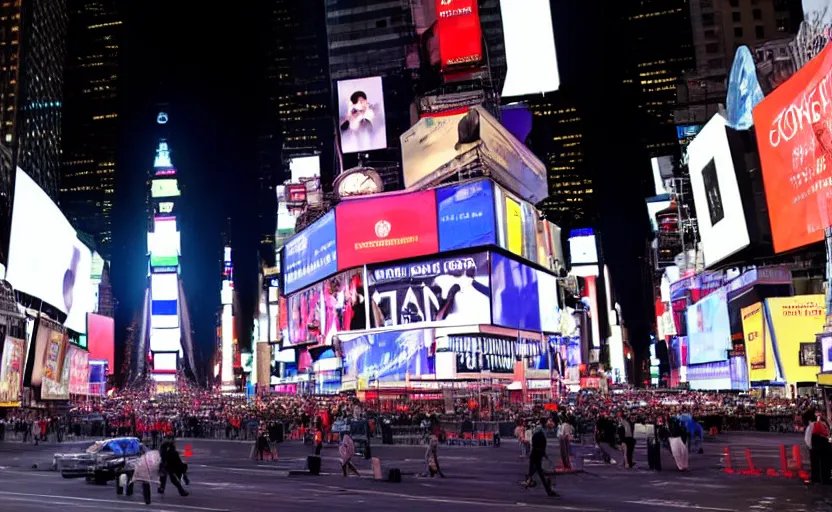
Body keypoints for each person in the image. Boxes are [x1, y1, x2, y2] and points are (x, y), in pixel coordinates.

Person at [523, 423, 558, 497]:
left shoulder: (535, 435)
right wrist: (544, 453)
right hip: (539, 454)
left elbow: (533, 444)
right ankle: (548, 490)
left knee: (534, 469)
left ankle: (529, 479)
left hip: (534, 454)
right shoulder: (542, 436)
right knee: (540, 471)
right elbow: (543, 446)